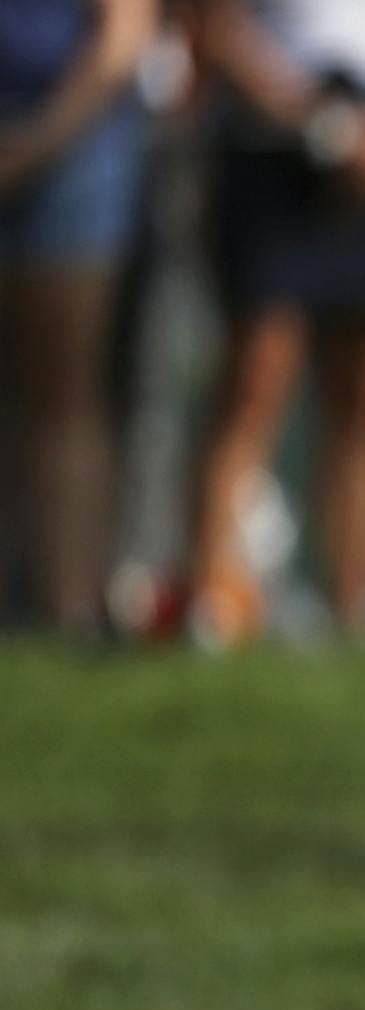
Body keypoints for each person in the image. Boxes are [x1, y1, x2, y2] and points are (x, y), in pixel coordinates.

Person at [189, 0, 365, 644]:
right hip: (275, 144)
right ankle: (213, 605)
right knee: (255, 377)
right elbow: (218, 26)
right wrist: (315, 122)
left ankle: (358, 607)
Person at [0, 0, 157, 641]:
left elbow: (122, 39)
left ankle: (71, 610)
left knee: (66, 393)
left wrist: (33, 142)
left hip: (74, 148)